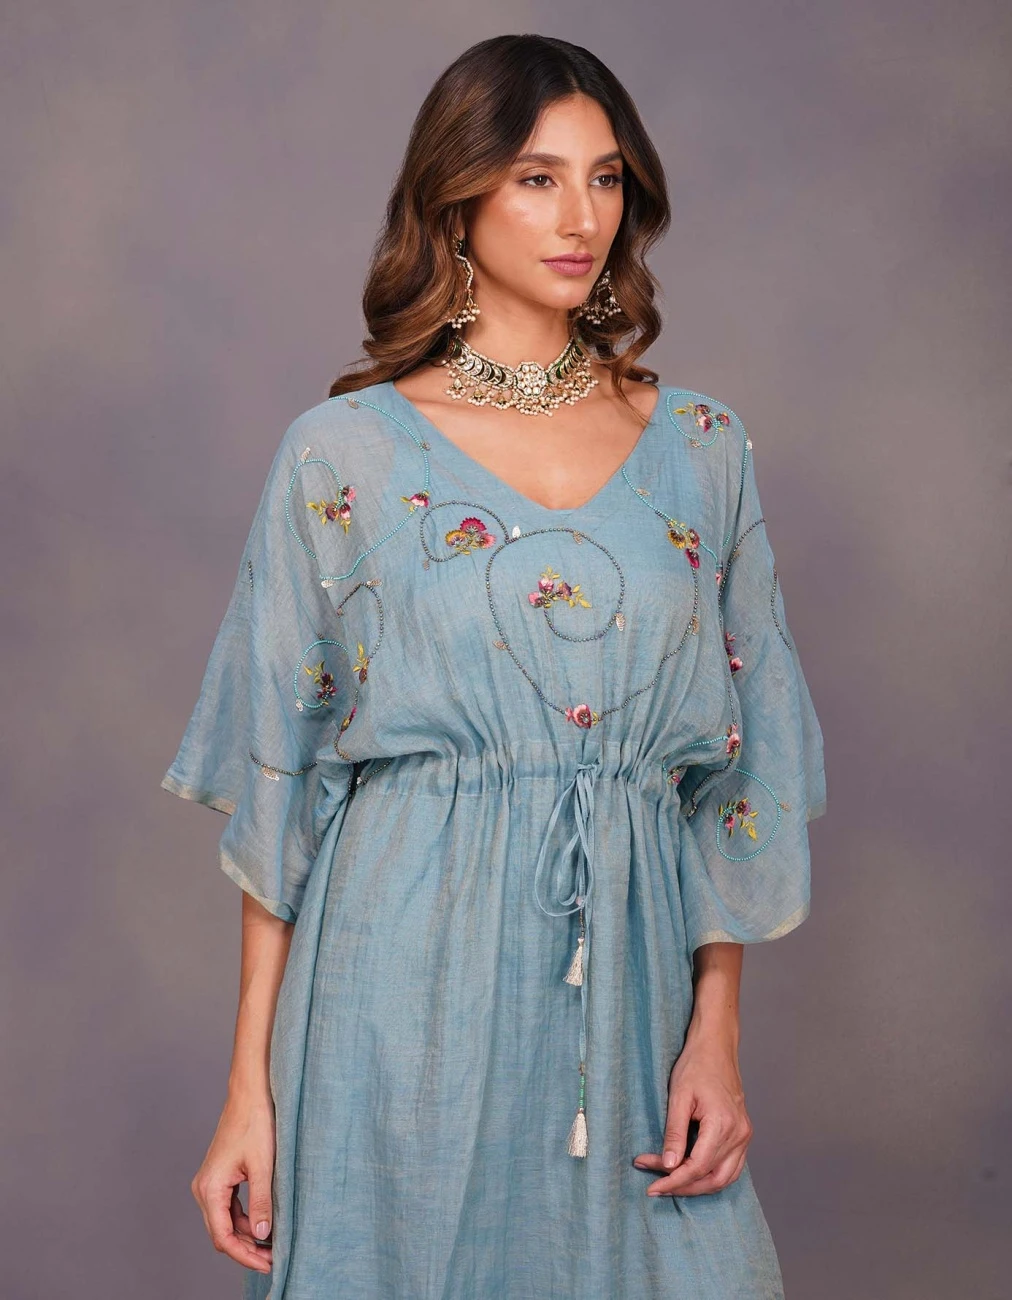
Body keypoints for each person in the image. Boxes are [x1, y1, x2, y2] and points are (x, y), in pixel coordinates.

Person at [162, 33, 827, 1300]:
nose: (581, 216)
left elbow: (738, 774)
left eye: (606, 177)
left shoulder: (701, 446)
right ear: (456, 197)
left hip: (630, 985)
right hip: (394, 984)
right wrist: (249, 1089)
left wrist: (716, 1035)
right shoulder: (343, 453)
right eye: (536, 178)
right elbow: (282, 789)